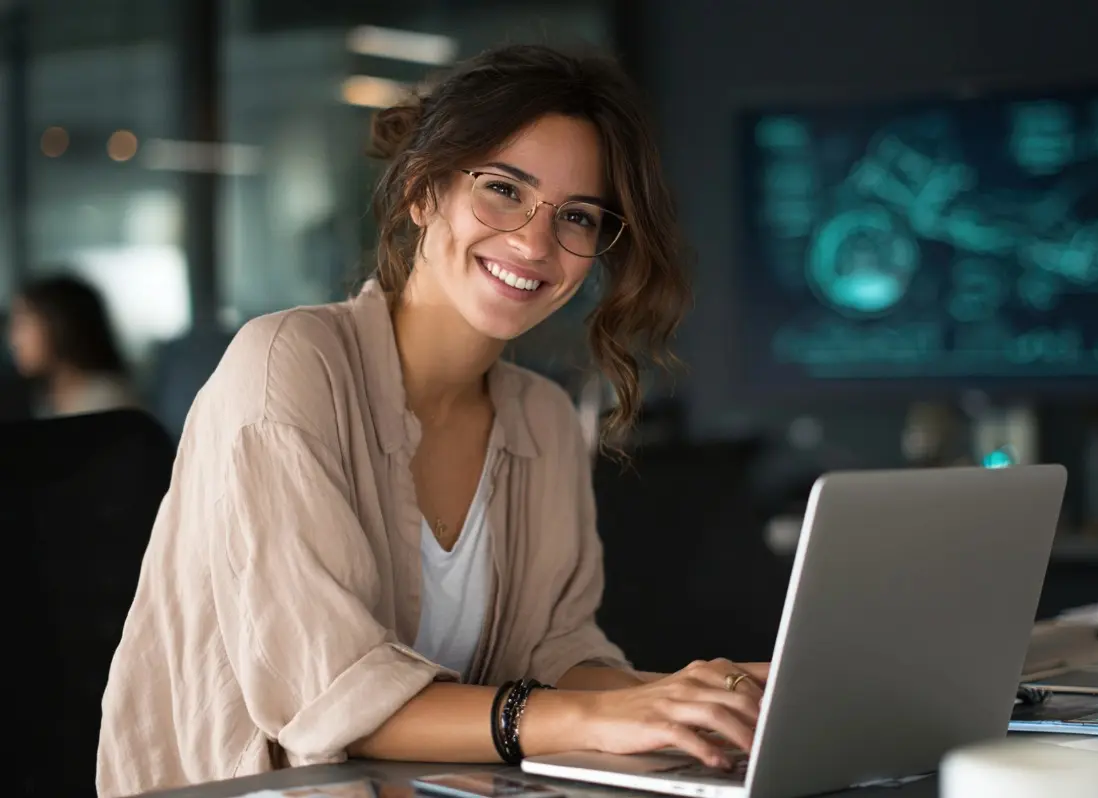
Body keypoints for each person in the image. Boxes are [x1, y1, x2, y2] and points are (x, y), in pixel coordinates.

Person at [97, 44, 767, 797]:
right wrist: (584, 721)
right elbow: (335, 700)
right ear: (422, 191)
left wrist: (702, 694)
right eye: (504, 190)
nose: (535, 243)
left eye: (578, 216)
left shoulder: (544, 421)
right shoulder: (287, 364)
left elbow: (556, 659)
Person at [6, 274, 138, 418]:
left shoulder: (106, 403)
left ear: (60, 325)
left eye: (23, 324)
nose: (14, 340)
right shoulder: (45, 399)